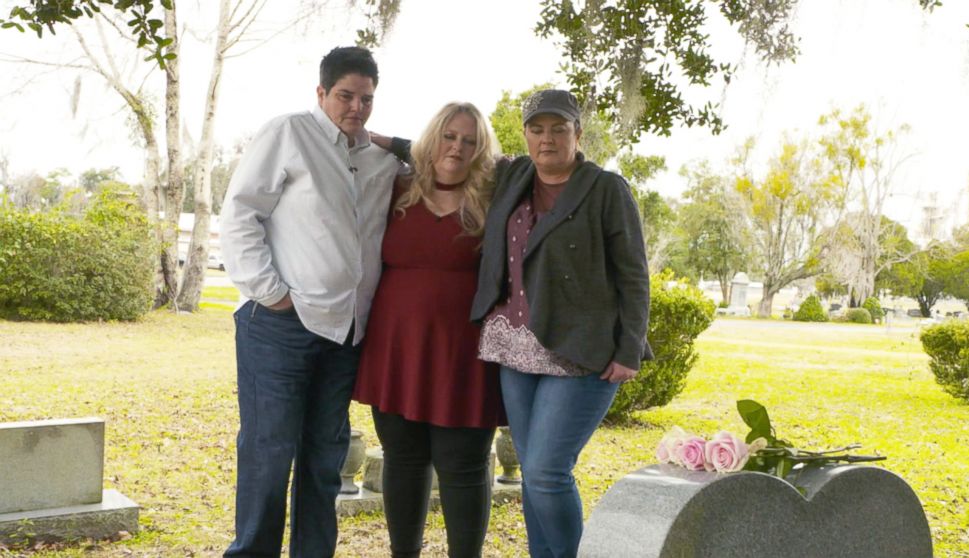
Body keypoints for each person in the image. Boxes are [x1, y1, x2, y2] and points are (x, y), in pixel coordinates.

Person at [219, 46, 406, 558]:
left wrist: (386, 138)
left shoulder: (379, 159)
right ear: (321, 92)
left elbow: (455, 157)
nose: (356, 107)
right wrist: (273, 293)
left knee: (325, 461)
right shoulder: (288, 133)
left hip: (345, 335)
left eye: (366, 98)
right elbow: (240, 215)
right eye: (345, 95)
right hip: (279, 328)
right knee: (269, 454)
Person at [472, 89, 652, 558]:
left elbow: (634, 274)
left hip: (580, 350)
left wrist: (629, 348)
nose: (546, 138)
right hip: (515, 347)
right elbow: (446, 148)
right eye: (537, 129)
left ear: (578, 133)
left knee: (549, 470)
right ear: (525, 135)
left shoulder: (606, 189)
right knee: (533, 472)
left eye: (558, 128)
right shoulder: (513, 175)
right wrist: (378, 139)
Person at [353, 102, 504, 558]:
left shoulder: (497, 196)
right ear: (432, 138)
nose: (456, 147)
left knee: (463, 465)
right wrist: (402, 148)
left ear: (481, 150)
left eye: (469, 139)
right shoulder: (397, 187)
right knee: (402, 459)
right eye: (448, 136)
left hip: (465, 353)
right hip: (396, 348)